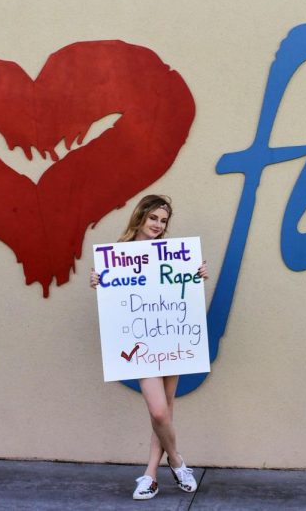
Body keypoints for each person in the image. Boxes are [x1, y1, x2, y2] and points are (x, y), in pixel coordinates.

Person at [90, 194, 208, 500]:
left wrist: (197, 276)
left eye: (163, 220)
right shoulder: (117, 256)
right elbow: (118, 299)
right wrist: (98, 281)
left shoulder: (171, 255)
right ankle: (178, 460)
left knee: (166, 410)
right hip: (141, 345)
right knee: (158, 413)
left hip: (171, 339)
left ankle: (150, 475)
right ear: (140, 217)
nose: (158, 225)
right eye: (153, 218)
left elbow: (181, 288)